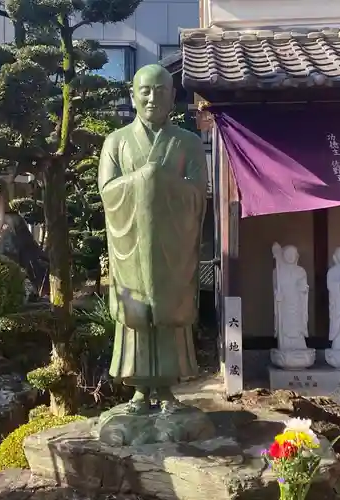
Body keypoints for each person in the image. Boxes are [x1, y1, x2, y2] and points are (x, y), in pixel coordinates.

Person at [98, 64, 207, 414]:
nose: (152, 97)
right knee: (137, 312)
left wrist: (160, 182)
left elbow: (198, 193)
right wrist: (142, 181)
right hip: (131, 245)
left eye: (161, 90)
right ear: (132, 95)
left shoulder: (187, 142)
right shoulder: (116, 141)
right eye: (145, 90)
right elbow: (107, 191)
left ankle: (169, 391)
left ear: (173, 97)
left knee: (169, 311)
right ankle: (140, 393)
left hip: (171, 246)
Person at [272, 243, 309, 350]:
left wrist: (303, 288)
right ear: (283, 255)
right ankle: (284, 345)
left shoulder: (301, 271)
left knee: (297, 324)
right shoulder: (277, 272)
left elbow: (304, 287)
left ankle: (299, 345)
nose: (290, 256)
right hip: (284, 303)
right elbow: (276, 288)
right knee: (285, 324)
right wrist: (276, 295)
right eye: (288, 254)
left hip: (297, 302)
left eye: (293, 254)